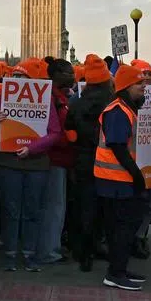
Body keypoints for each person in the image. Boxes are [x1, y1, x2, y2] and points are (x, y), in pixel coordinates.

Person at [0, 60, 60, 272]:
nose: (19, 81)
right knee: (10, 211)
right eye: (16, 76)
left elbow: (55, 132)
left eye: (23, 77)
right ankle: (10, 254)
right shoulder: (4, 96)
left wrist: (32, 148)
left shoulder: (46, 99)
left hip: (36, 165)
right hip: (7, 163)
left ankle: (29, 254)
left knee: (32, 211)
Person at [94, 64, 148, 291]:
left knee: (124, 227)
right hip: (114, 180)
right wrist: (136, 174)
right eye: (139, 83)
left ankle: (120, 269)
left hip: (119, 178)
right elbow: (117, 145)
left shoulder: (126, 108)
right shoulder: (117, 110)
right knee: (121, 228)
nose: (144, 87)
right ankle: (115, 273)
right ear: (126, 86)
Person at [66, 55, 113, 272]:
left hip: (83, 160)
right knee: (103, 208)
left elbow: (70, 133)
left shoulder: (76, 102)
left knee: (84, 205)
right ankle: (96, 245)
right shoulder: (112, 103)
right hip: (108, 161)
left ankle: (82, 252)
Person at [36, 57, 75, 265]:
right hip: (52, 160)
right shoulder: (50, 97)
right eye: (68, 72)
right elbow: (51, 131)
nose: (73, 76)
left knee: (55, 207)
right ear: (56, 75)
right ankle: (48, 252)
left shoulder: (60, 96)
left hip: (59, 160)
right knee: (53, 207)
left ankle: (51, 248)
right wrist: (70, 137)